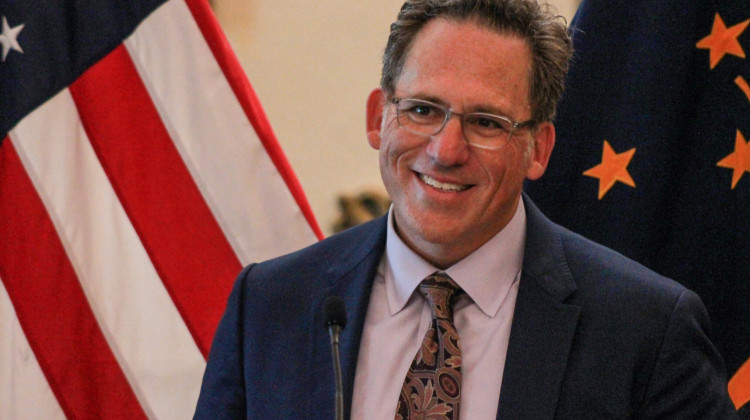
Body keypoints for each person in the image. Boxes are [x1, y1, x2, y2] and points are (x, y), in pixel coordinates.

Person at [194, 0, 738, 418]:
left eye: (486, 123)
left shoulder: (644, 330)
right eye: (423, 110)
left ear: (540, 149)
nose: (445, 151)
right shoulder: (271, 305)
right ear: (377, 117)